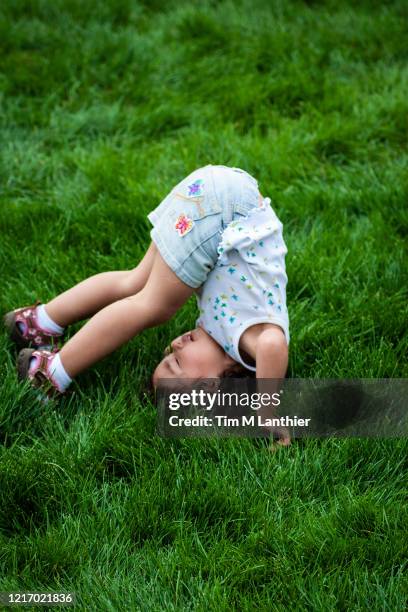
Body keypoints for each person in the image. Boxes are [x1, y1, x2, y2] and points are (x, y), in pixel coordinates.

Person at [4, 165, 290, 444]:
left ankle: (38, 322)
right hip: (227, 213)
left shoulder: (221, 335)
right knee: (154, 306)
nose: (175, 345)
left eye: (168, 356)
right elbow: (273, 345)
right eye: (176, 362)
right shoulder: (246, 346)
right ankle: (49, 373)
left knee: (135, 283)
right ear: (211, 386)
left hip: (215, 198)